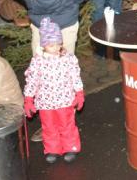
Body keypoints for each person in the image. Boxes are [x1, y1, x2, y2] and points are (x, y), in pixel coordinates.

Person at [23, 18, 85, 164]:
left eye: (59, 43)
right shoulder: (37, 61)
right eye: (52, 45)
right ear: (44, 45)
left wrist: (79, 92)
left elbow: (75, 76)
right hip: (45, 103)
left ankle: (71, 147)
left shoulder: (68, 59)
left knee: (67, 124)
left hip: (64, 100)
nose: (56, 47)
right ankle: (52, 149)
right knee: (49, 127)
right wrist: (28, 98)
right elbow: (32, 80)